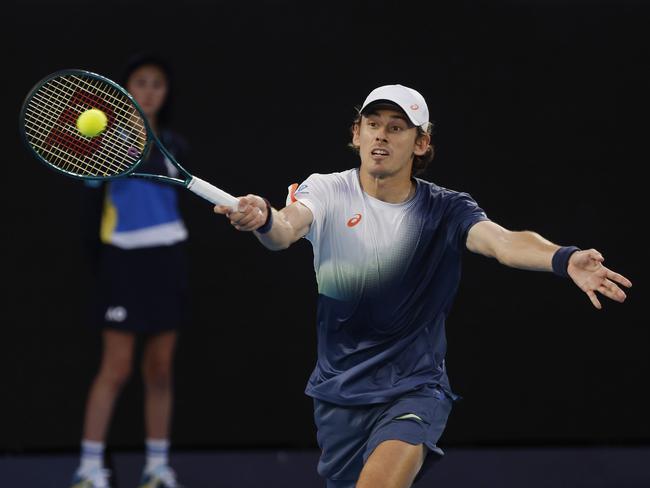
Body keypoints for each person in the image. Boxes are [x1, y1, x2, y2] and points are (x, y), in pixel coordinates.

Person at [214, 84, 633, 488]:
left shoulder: (446, 209)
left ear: (420, 143)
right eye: (372, 123)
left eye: (397, 127)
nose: (381, 134)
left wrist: (563, 258)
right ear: (357, 134)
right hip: (338, 392)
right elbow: (284, 231)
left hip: (414, 388)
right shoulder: (326, 190)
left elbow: (503, 242)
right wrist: (265, 218)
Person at [71, 53, 188, 488]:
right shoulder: (101, 143)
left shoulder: (176, 144)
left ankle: (157, 468)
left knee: (159, 369)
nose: (149, 91)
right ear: (126, 89)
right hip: (123, 263)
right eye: (140, 82)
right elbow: (89, 204)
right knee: (116, 368)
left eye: (157, 83)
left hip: (169, 259)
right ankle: (88, 469)